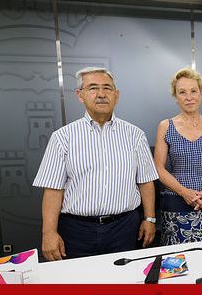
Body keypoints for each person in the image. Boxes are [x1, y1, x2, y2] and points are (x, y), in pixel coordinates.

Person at [33, 67, 158, 261]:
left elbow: (145, 182)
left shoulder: (135, 135)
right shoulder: (62, 138)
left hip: (124, 228)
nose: (101, 94)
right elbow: (53, 189)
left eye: (107, 88)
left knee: (123, 285)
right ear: (80, 95)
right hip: (76, 231)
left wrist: (149, 219)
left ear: (116, 95)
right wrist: (48, 233)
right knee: (79, 284)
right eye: (92, 88)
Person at [154, 68, 202, 245]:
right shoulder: (165, 126)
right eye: (182, 92)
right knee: (175, 262)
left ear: (201, 93)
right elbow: (158, 168)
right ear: (175, 96)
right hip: (175, 202)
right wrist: (184, 193)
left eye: (194, 91)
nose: (189, 97)